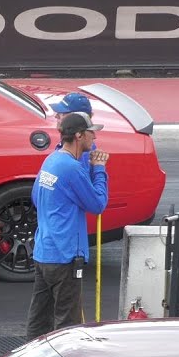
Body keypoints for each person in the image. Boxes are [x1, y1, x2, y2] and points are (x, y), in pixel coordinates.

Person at [25, 112, 109, 340]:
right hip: (66, 257)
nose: (95, 138)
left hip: (45, 252)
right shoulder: (71, 169)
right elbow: (98, 204)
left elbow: (35, 197)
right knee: (67, 325)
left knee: (39, 318)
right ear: (80, 135)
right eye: (92, 132)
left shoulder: (52, 160)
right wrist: (99, 168)